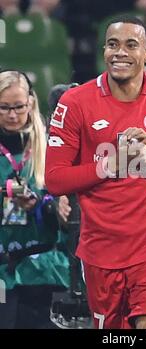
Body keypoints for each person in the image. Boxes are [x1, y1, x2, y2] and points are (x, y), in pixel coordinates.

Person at [45, 15, 146, 329]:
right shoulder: (75, 103)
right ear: (103, 50)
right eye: (113, 44)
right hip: (100, 252)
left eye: (131, 45)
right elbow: (55, 178)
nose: (120, 52)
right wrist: (109, 166)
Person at [0, 70, 69, 329]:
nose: (12, 114)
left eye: (18, 106)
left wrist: (45, 205)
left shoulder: (51, 145)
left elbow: (68, 198)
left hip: (45, 270)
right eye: (4, 107)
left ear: (30, 103)